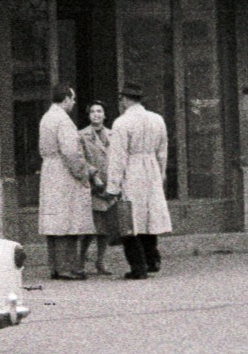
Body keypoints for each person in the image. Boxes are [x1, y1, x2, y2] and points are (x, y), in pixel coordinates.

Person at [105, 80, 172, 279]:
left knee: (129, 220)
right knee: (149, 216)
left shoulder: (121, 123)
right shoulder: (157, 119)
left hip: (132, 171)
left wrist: (113, 185)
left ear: (124, 100)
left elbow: (117, 157)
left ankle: (138, 266)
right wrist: (161, 174)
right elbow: (163, 151)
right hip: (151, 168)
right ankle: (151, 259)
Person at [38, 84, 94, 280]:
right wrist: (82, 174)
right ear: (66, 99)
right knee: (68, 221)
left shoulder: (47, 117)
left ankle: (55, 266)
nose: (74, 102)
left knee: (54, 221)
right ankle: (67, 268)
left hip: (50, 170)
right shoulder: (63, 121)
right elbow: (71, 152)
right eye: (73, 99)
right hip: (63, 172)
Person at [77, 101, 115, 275]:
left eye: (100, 111)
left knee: (106, 228)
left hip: (110, 185)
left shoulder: (113, 134)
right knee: (90, 227)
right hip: (93, 185)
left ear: (105, 115)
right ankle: (80, 259)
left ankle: (101, 261)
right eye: (92, 111)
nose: (96, 114)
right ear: (88, 115)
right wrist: (94, 177)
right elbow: (80, 159)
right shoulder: (81, 135)